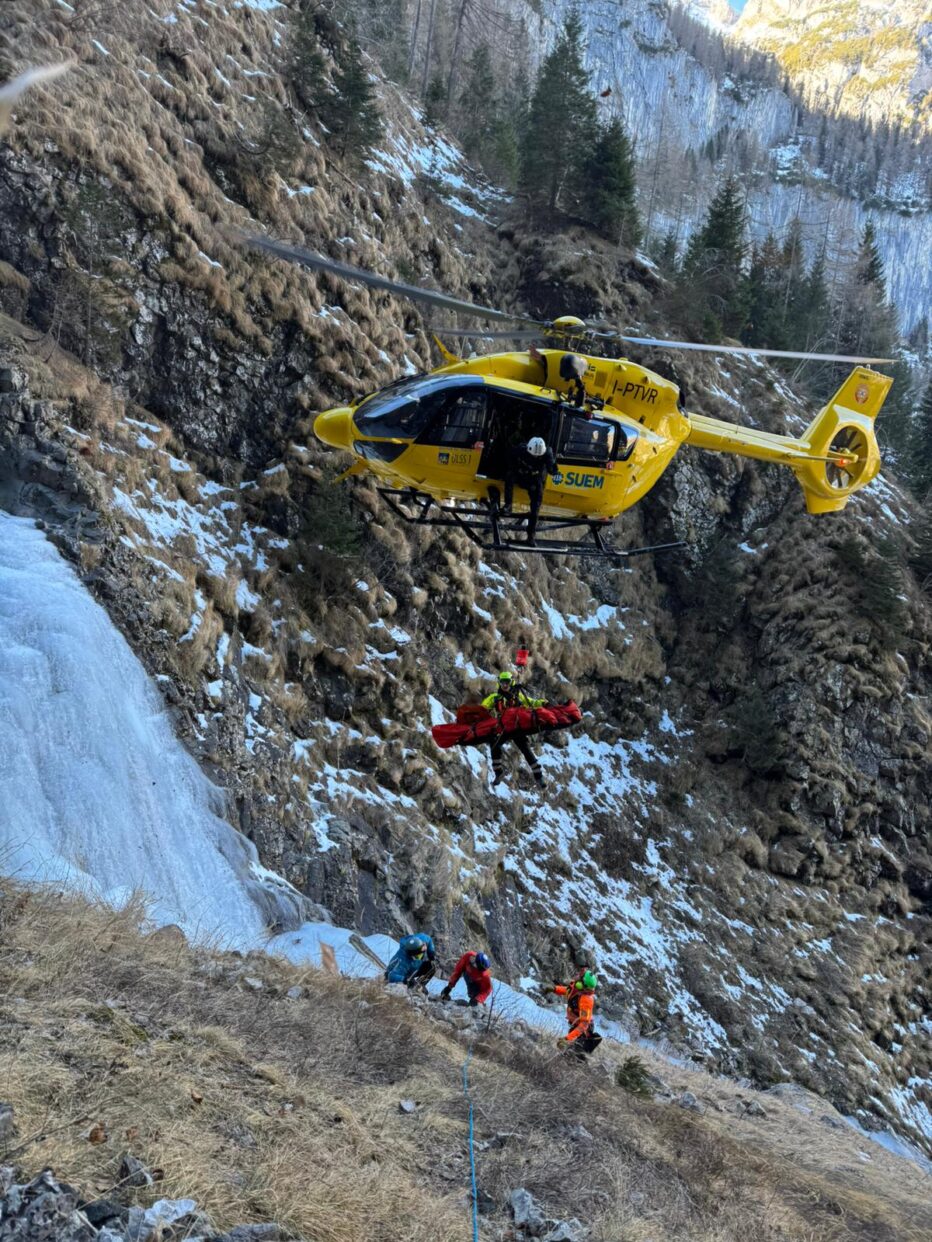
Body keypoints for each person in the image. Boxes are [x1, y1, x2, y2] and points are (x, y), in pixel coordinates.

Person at [482, 671, 546, 787]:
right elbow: (483, 707)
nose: (504, 685)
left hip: (517, 727)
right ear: (499, 683)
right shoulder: (495, 698)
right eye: (502, 683)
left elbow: (532, 702)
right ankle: (499, 773)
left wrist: (543, 703)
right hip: (504, 728)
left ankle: (539, 777)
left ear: (511, 682)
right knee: (495, 745)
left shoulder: (518, 695)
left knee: (526, 750)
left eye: (506, 683)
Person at [502, 435, 558, 546]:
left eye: (538, 456)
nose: (536, 458)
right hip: (522, 475)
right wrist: (518, 469)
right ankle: (508, 505)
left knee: (535, 508)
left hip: (536, 481)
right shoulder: (521, 449)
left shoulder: (547, 453)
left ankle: (531, 536)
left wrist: (553, 465)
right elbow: (510, 458)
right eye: (533, 455)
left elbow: (553, 470)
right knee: (509, 476)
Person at [544, 969, 602, 1058]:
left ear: (582, 984)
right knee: (567, 1052)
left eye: (580, 977)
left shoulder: (586, 1000)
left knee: (574, 1056)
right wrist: (554, 989)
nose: (577, 976)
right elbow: (568, 991)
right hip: (576, 1025)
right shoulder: (577, 989)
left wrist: (567, 1039)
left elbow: (584, 1024)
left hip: (582, 1031)